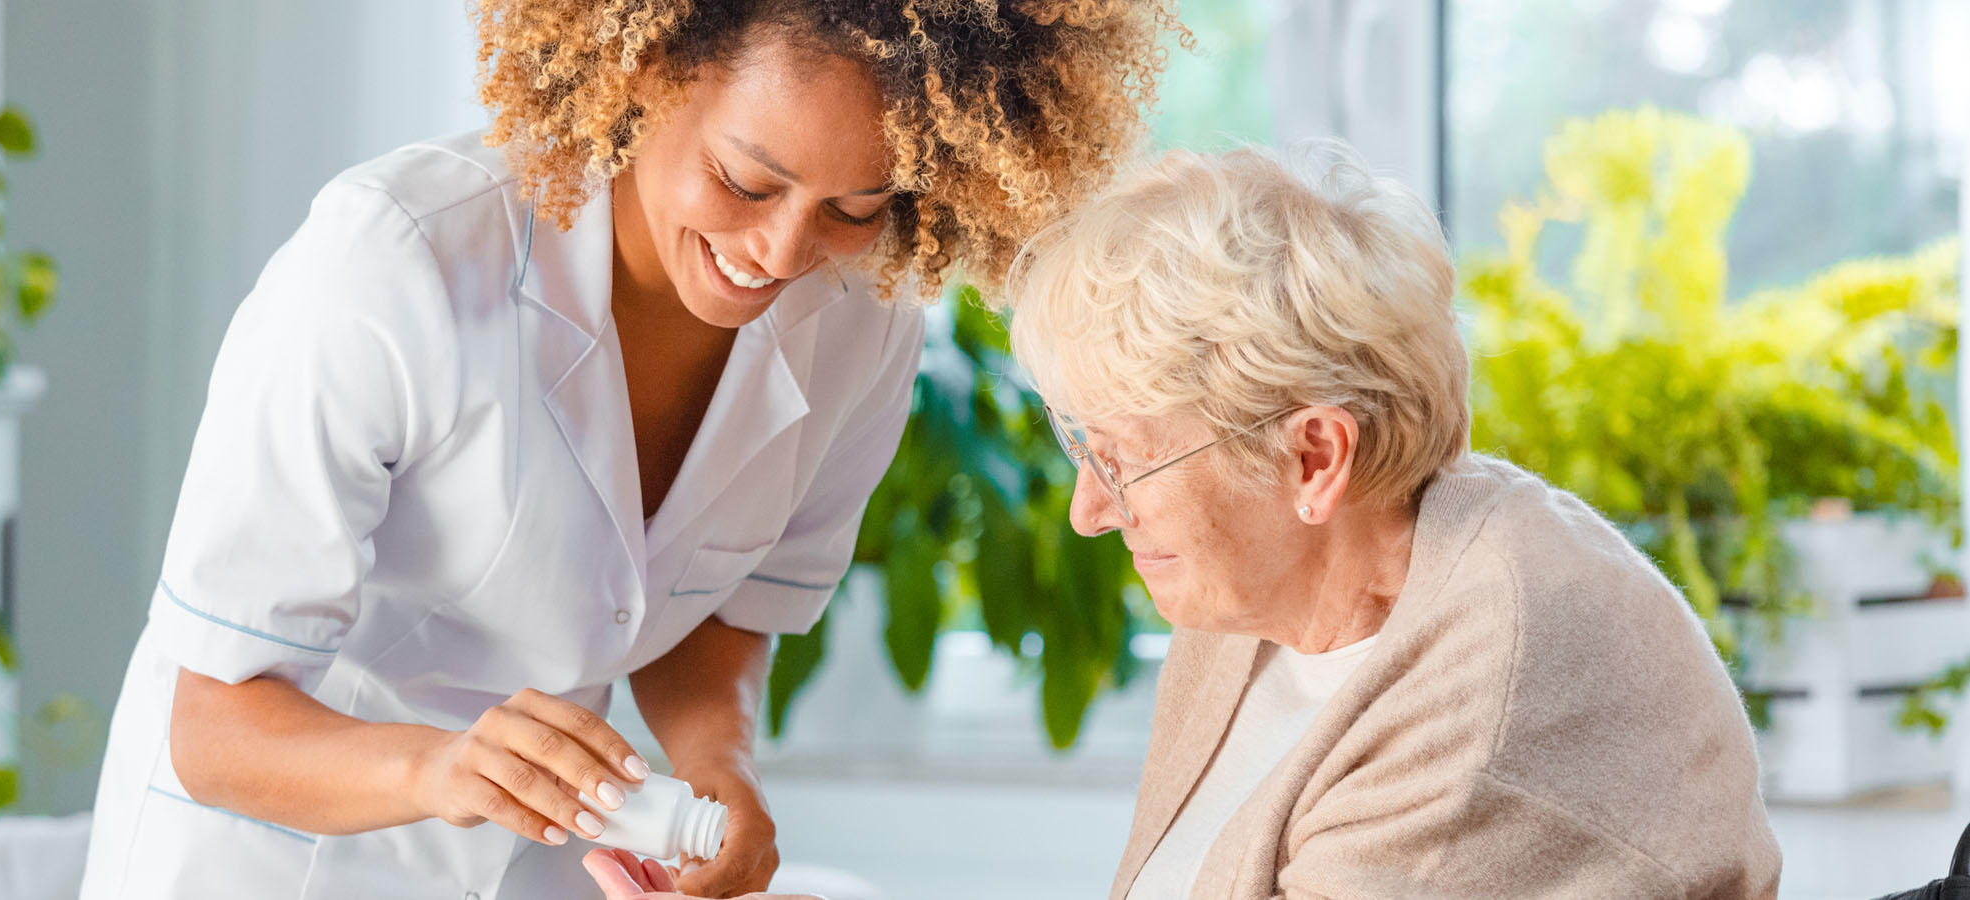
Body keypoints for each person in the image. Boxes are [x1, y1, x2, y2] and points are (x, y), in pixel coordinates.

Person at [75, 1, 1174, 898]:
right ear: (647, 70)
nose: (783, 251)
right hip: (270, 859)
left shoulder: (864, 321)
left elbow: (716, 614)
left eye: (856, 204)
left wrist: (718, 774)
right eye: (747, 181)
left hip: (541, 866)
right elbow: (213, 725)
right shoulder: (392, 263)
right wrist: (442, 764)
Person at [588, 145, 1785, 900]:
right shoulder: (1277, 585)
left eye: (1120, 456)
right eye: (1081, 443)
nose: (1090, 510)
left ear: (1316, 455)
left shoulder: (1483, 702)